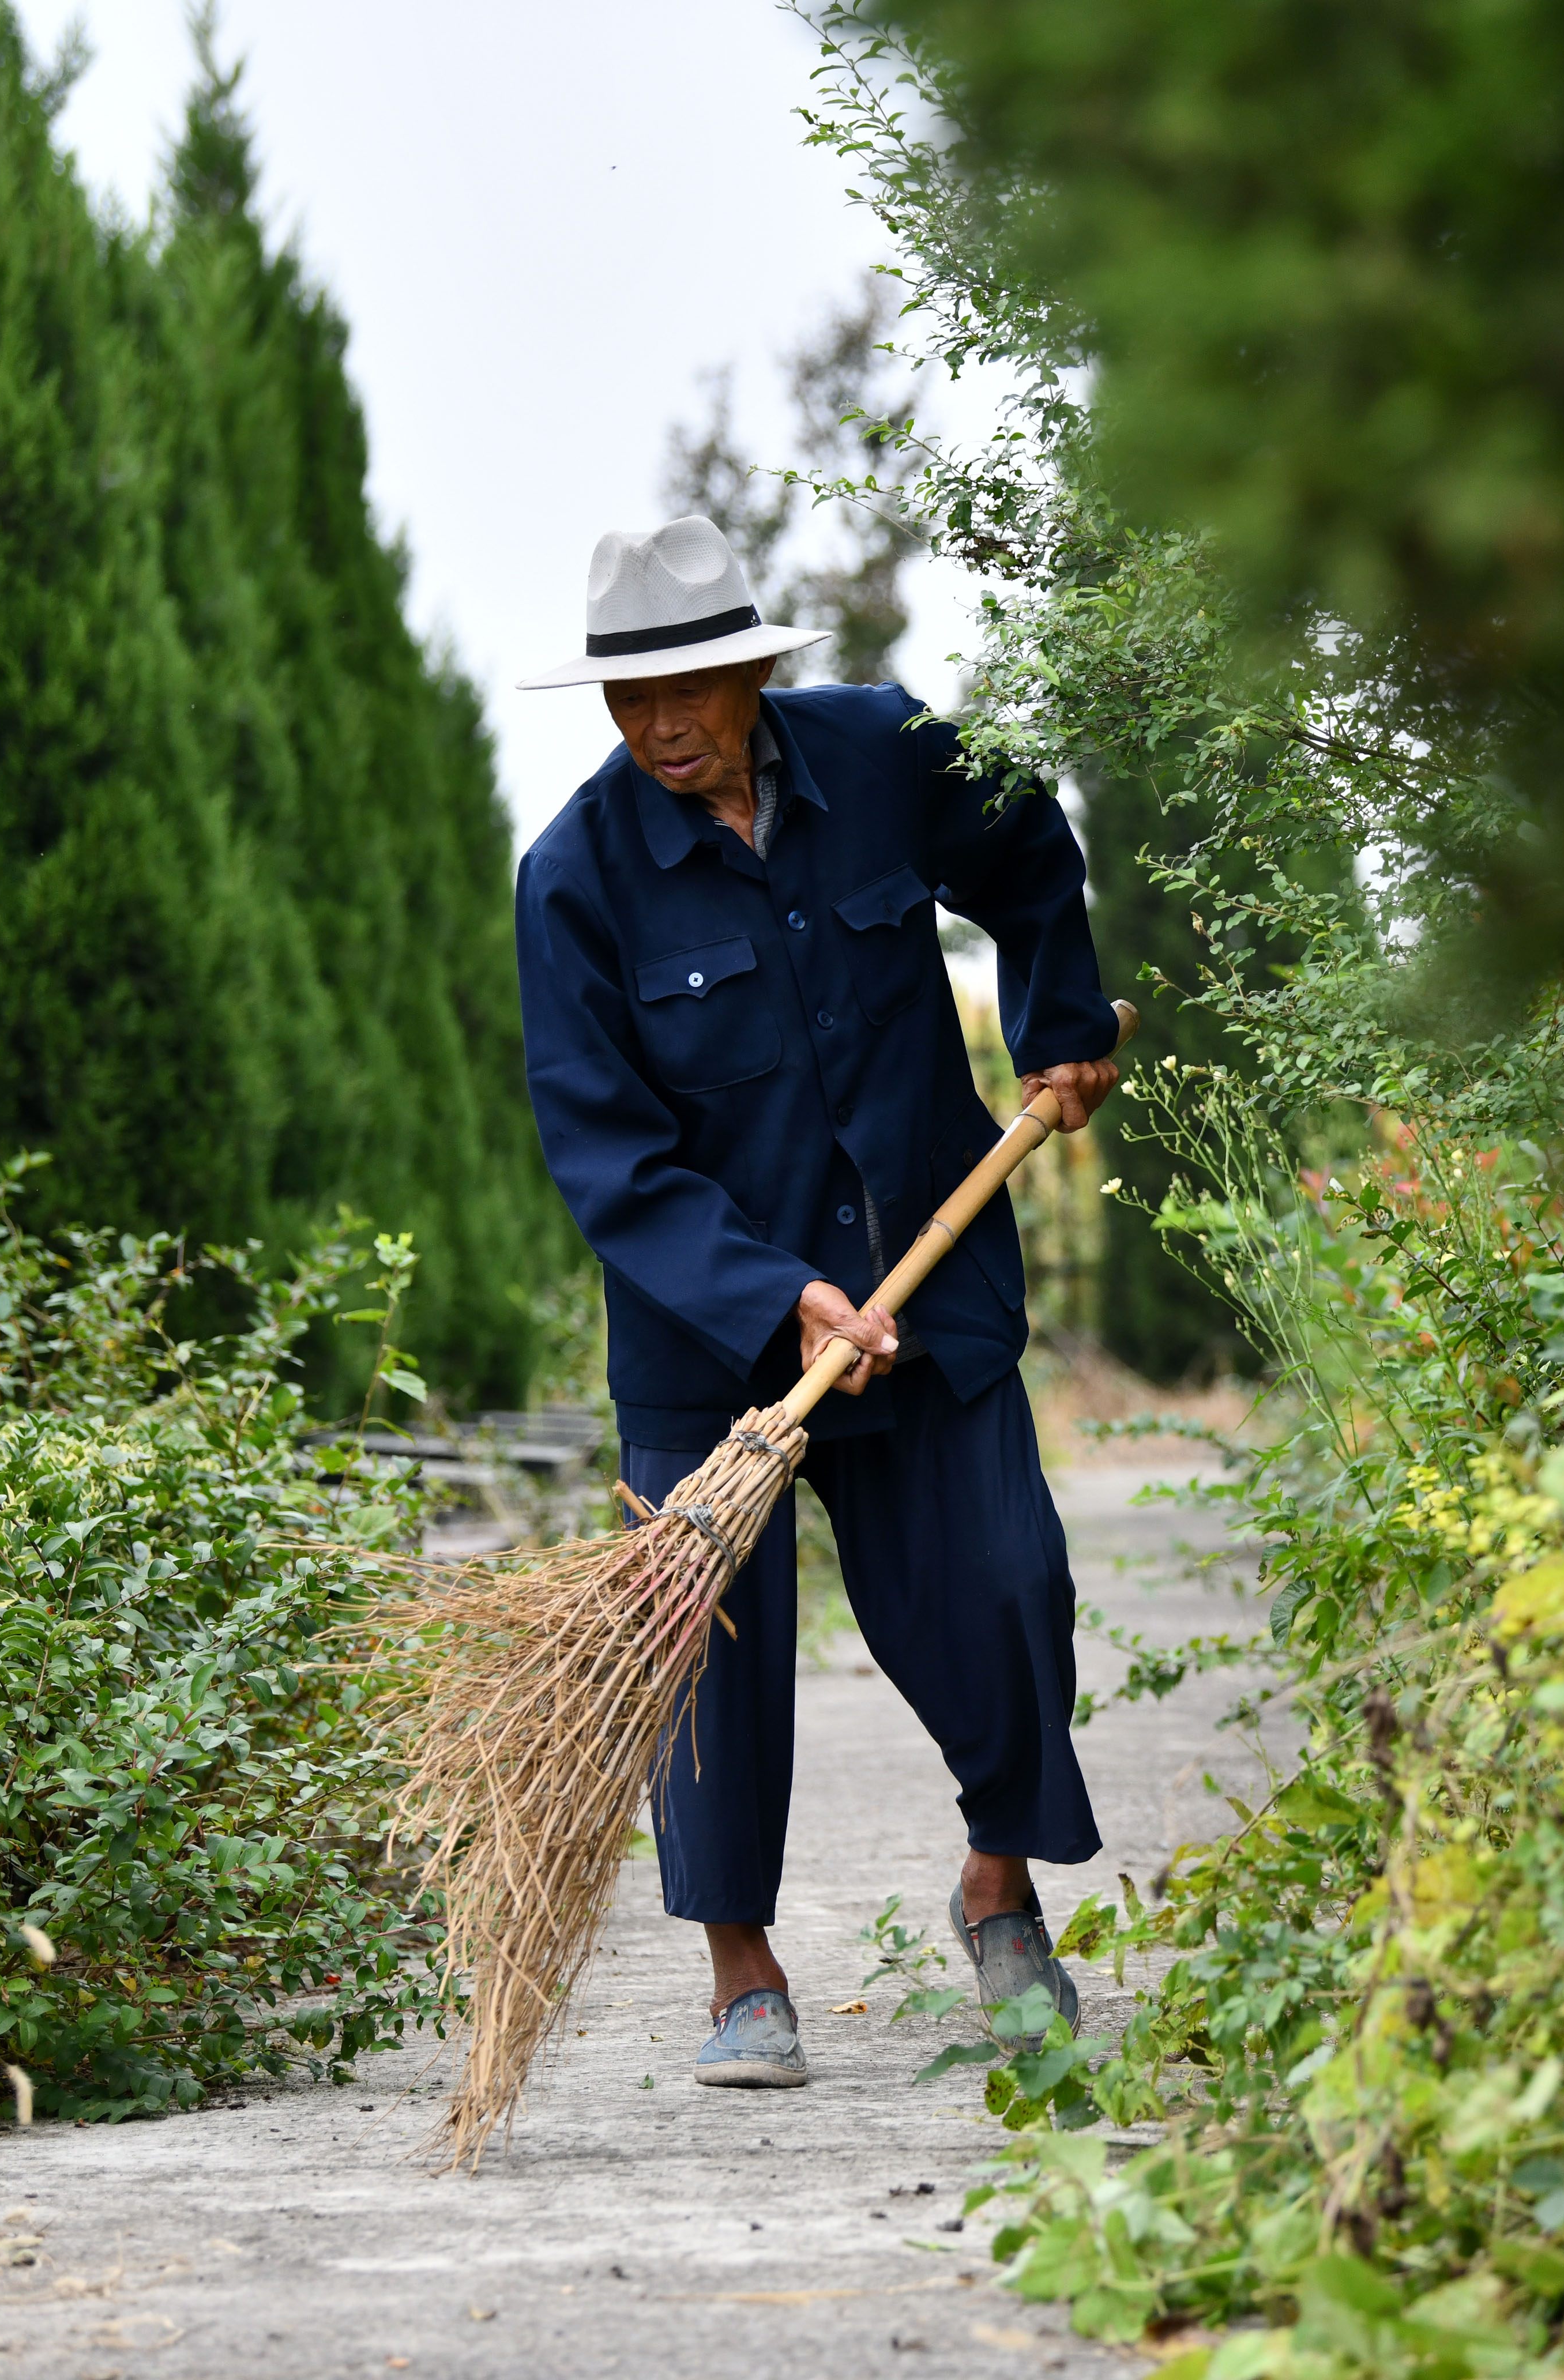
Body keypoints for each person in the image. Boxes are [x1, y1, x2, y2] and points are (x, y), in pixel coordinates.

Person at [512, 513, 1119, 2089]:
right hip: (714, 1342)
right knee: (699, 1655)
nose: (659, 726)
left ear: (753, 668)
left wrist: (1058, 1020)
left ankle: (998, 1886)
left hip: (927, 1287)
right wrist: (775, 1295)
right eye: (626, 698)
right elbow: (608, 1152)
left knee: (1007, 1585)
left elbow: (1031, 844)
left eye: (687, 689)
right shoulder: (572, 881)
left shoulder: (888, 756)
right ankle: (742, 1976)